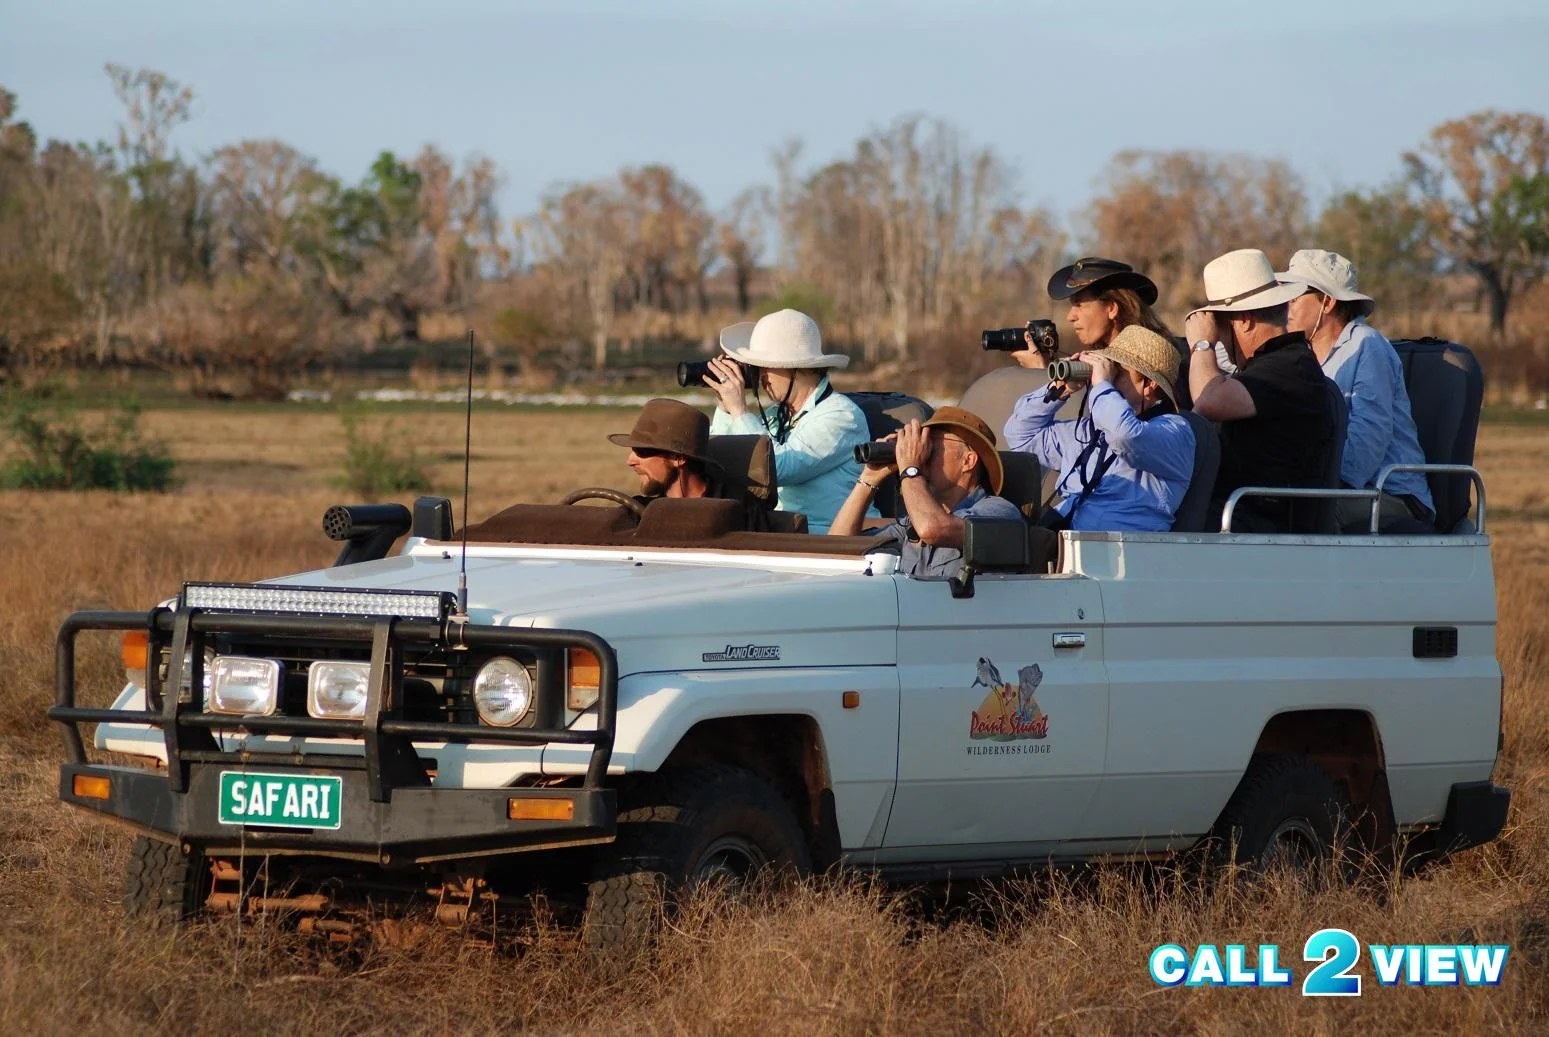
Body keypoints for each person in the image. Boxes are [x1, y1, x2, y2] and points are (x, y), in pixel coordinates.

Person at [1279, 249, 1435, 532]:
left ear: (1327, 302)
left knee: (1310, 513)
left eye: (1294, 296)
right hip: (1340, 489)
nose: (1285, 306)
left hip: (1391, 494)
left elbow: (1364, 448)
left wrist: (1308, 485)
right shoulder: (1301, 353)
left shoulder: (1368, 346)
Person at [1183, 248, 1334, 532]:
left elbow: (1207, 401)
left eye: (1220, 325)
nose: (1219, 341)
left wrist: (1202, 344)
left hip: (1264, 526)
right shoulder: (1271, 364)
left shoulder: (1291, 366)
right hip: (1241, 515)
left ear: (1245, 320)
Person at [1003, 325, 1196, 532]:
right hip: (1067, 544)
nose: (1108, 379)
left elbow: (1125, 436)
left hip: (1125, 554)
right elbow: (1020, 436)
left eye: (1118, 373)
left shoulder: (1176, 432)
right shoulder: (1089, 431)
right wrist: (1060, 389)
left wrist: (1103, 384)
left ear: (1149, 384)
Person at [704, 309, 870, 533]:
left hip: (831, 537)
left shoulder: (842, 416)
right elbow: (720, 463)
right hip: (781, 534)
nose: (758, 375)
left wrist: (740, 411)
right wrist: (726, 409)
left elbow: (775, 469)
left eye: (764, 366)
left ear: (796, 367)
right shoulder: (776, 416)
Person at [829, 407, 1021, 577]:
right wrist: (869, 479)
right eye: (921, 444)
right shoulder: (912, 523)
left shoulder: (999, 512)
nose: (922, 454)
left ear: (968, 461)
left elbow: (932, 529)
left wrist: (911, 467)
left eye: (932, 446)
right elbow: (838, 550)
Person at [1009, 257, 1191, 408]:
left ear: (1112, 309)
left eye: (1079, 305)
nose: (1070, 317)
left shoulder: (1162, 363)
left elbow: (1119, 424)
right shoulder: (1101, 359)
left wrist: (1038, 374)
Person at [608, 397, 718, 500]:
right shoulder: (639, 511)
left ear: (678, 458)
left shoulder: (730, 508)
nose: (630, 461)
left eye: (642, 451)